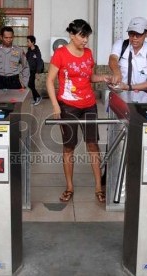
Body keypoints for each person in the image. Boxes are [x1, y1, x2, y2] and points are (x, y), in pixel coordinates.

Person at [46, 19, 111, 203]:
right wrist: (55, 105)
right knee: (69, 147)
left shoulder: (89, 54)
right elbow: (50, 80)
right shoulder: (60, 54)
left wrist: (105, 77)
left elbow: (90, 77)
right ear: (72, 35)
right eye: (82, 36)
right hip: (68, 105)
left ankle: (98, 187)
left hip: (89, 104)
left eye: (87, 37)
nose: (85, 41)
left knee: (93, 145)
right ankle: (69, 187)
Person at [108, 17, 147, 97]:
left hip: (143, 97)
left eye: (138, 34)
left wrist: (128, 87)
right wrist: (117, 72)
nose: (134, 38)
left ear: (146, 34)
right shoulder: (121, 44)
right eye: (131, 34)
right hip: (121, 94)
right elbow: (113, 59)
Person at [0, 26, 29, 91]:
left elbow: (26, 67)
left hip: (14, 81)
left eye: (11, 37)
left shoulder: (19, 51)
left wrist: (24, 83)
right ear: (1, 37)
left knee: (14, 101)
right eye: (6, 38)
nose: (8, 40)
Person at [26, 35, 43, 105]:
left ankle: (38, 97)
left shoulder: (37, 51)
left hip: (34, 71)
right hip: (29, 70)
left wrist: (37, 72)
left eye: (28, 41)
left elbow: (39, 61)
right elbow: (25, 58)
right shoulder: (29, 51)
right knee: (31, 85)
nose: (27, 43)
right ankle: (36, 98)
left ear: (32, 42)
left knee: (30, 84)